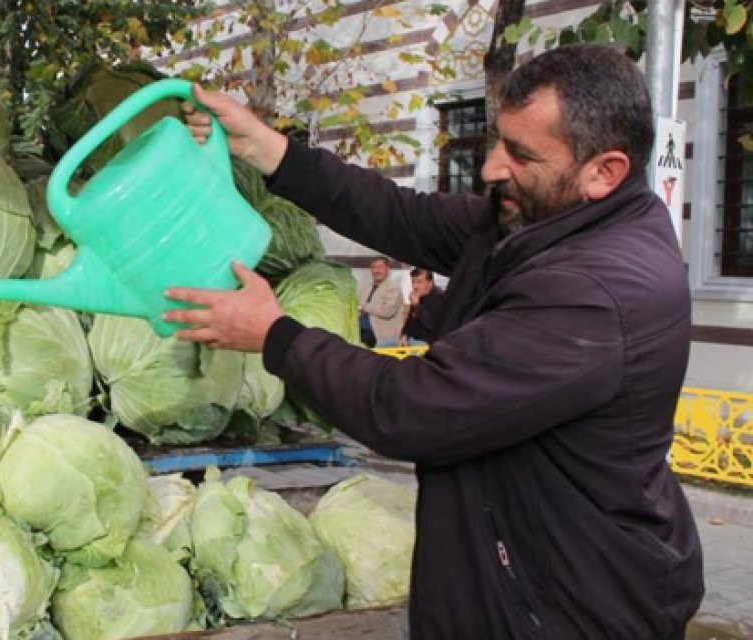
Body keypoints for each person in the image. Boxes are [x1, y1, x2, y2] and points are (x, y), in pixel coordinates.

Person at [163, 44, 704, 639]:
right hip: (516, 582)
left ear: (605, 171)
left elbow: (415, 407)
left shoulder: (597, 292)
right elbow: (401, 215)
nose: (494, 168)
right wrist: (266, 149)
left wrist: (275, 335)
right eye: (498, 140)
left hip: (566, 607)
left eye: (522, 155)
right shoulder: (538, 223)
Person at [359, 256, 404, 348]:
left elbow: (387, 311)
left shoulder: (393, 287)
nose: (377, 270)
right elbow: (357, 306)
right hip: (363, 330)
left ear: (388, 269)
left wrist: (364, 307)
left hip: (381, 334)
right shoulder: (365, 287)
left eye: (380, 267)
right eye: (374, 267)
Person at [400, 267, 442, 347]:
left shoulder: (439, 297)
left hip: (427, 343)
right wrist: (404, 335)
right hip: (411, 340)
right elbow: (409, 321)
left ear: (430, 283)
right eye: (413, 282)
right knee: (381, 345)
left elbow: (431, 324)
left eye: (419, 282)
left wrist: (417, 305)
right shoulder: (419, 295)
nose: (415, 286)